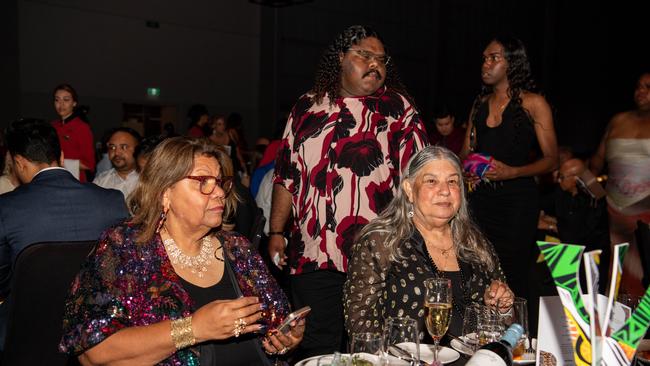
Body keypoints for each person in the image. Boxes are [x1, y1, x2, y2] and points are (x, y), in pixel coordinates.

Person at [59, 137, 304, 365]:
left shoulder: (237, 248)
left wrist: (283, 341)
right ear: (164, 192)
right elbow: (93, 353)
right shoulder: (126, 248)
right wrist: (193, 329)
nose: (219, 192)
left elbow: (275, 322)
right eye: (203, 182)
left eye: (220, 182)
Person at [269, 25, 428, 358]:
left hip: (378, 255)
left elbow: (421, 178)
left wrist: (422, 241)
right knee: (315, 348)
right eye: (365, 56)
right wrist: (276, 231)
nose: (375, 65)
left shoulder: (398, 109)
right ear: (341, 58)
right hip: (313, 254)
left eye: (381, 60)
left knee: (373, 351)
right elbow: (287, 175)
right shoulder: (305, 108)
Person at [343, 146, 513, 341]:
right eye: (431, 181)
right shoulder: (381, 242)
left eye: (452, 182)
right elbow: (361, 326)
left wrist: (504, 308)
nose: (444, 191)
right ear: (409, 189)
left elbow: (506, 323)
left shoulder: (476, 243)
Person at [0, 118, 127, 347]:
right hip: (98, 329)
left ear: (19, 162)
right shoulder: (112, 201)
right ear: (60, 156)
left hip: (29, 330)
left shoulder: (6, 208)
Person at [460, 36, 558, 302]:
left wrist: (511, 172)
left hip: (517, 203)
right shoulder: (479, 104)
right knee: (479, 270)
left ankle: (516, 337)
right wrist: (468, 168)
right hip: (480, 200)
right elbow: (464, 153)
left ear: (512, 62)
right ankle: (482, 336)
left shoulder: (534, 103)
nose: (486, 64)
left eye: (494, 58)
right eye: (484, 58)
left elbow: (552, 160)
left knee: (513, 273)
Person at [590, 72, 650, 295]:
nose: (641, 91)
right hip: (614, 213)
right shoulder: (618, 121)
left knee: (643, 275)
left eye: (648, 87)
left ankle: (641, 328)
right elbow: (596, 163)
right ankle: (615, 325)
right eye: (638, 86)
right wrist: (583, 180)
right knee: (615, 274)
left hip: (647, 214)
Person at [539, 158, 610, 292]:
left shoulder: (595, 199)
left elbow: (579, 236)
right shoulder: (562, 191)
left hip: (591, 260)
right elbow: (543, 204)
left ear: (575, 179)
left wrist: (550, 226)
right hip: (570, 254)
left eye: (562, 177)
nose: (558, 180)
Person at [51, 84, 96, 182]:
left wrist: (60, 163)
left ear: (74, 103)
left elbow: (89, 164)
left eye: (66, 100)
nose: (61, 104)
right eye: (57, 100)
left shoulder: (81, 127)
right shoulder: (52, 126)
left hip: (75, 181)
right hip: (53, 178)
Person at [93, 127, 142, 199]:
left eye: (124, 147)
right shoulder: (101, 181)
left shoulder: (148, 181)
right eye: (112, 147)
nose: (116, 152)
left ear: (138, 150)